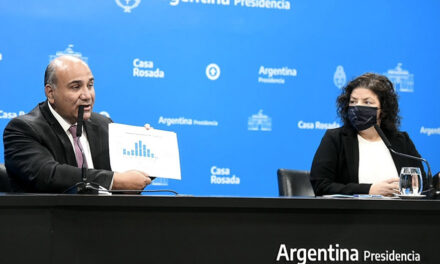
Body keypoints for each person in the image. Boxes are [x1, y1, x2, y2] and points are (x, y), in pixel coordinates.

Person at [3, 55, 152, 193]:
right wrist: (114, 180)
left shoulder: (103, 124)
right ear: (50, 93)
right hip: (50, 219)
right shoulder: (23, 129)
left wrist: (151, 150)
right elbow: (49, 175)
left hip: (106, 218)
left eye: (90, 85)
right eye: (75, 87)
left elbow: (129, 177)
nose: (87, 95)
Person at [310, 73, 425, 196]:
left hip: (400, 213)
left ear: (383, 110)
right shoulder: (335, 139)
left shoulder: (401, 141)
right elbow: (321, 185)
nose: (358, 106)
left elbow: (422, 185)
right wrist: (369, 190)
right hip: (353, 213)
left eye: (367, 102)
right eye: (353, 101)